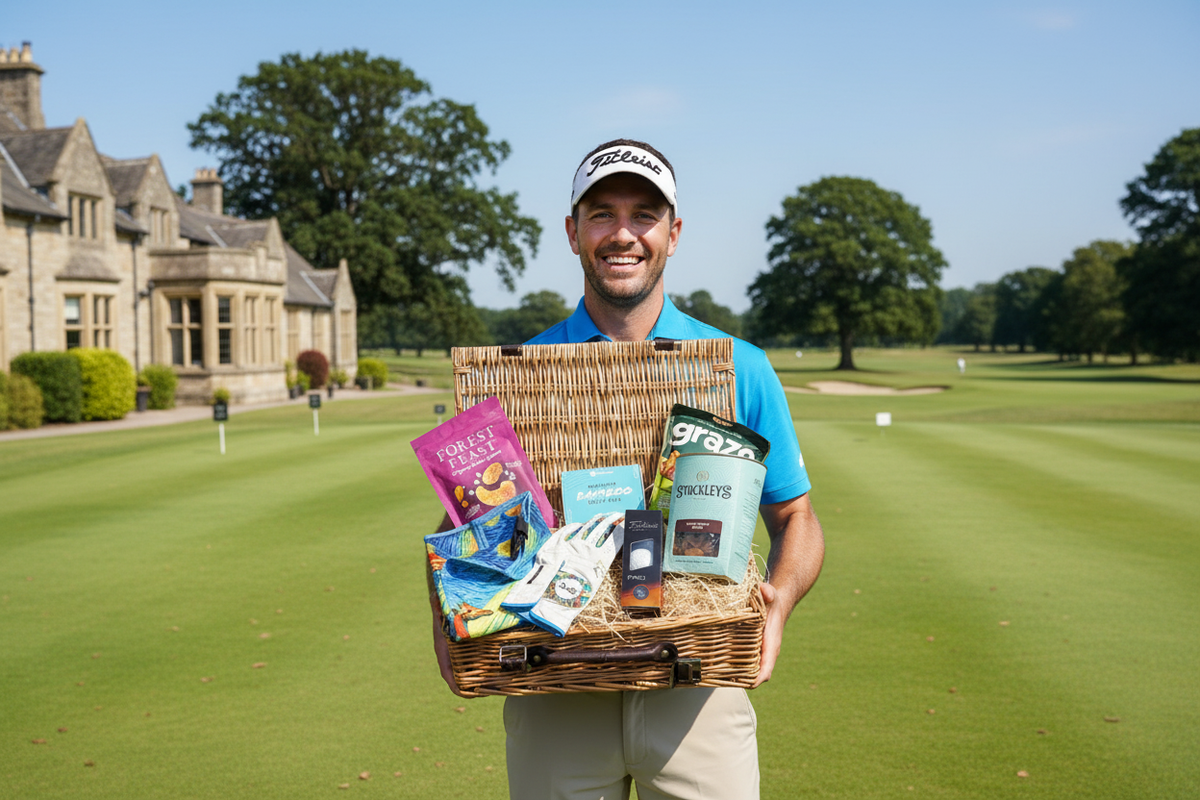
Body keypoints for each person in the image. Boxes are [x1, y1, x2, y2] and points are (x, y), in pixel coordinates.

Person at [431, 139, 825, 800]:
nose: (623, 233)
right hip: (554, 679)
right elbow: (466, 523)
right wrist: (447, 620)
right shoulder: (516, 371)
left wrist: (779, 600)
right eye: (601, 214)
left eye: (644, 214)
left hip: (698, 685)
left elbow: (797, 518)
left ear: (673, 233)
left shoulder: (739, 365)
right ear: (572, 232)